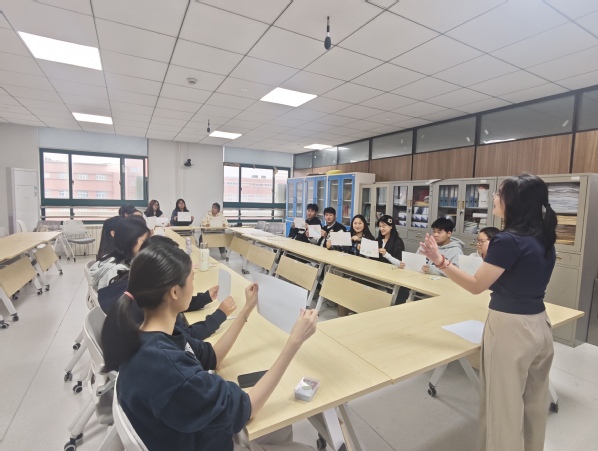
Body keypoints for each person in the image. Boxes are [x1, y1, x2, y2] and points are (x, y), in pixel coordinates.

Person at [101, 244, 318, 451]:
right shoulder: (172, 370)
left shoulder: (148, 335)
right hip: (203, 443)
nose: (194, 284)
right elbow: (248, 407)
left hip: (189, 432)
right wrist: (294, 342)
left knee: (279, 427)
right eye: (192, 278)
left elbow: (211, 357)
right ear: (175, 292)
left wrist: (246, 310)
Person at [419, 174, 557, 451]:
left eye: (499, 193)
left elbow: (476, 285)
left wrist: (440, 261)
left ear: (514, 201)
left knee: (503, 408)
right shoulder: (543, 236)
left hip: (510, 329)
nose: (493, 196)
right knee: (534, 403)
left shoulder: (507, 240)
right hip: (540, 325)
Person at [98, 235, 234, 340]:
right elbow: (188, 336)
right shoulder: (155, 312)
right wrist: (220, 315)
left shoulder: (141, 285)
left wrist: (205, 298)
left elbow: (174, 299)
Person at [89, 217, 149, 290]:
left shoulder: (111, 257)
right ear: (130, 241)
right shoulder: (119, 271)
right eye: (144, 241)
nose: (148, 245)